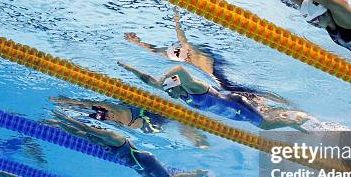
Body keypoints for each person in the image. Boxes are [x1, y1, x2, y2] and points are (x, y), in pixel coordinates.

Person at [124, 7, 289, 103]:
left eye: (187, 57)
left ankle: (280, 101)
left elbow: (182, 38)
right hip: (211, 72)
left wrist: (177, 21)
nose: (187, 60)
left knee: (243, 93)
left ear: (187, 52)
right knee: (239, 96)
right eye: (185, 59)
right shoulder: (172, 54)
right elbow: (154, 50)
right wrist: (137, 42)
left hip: (216, 70)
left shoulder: (190, 50)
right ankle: (266, 103)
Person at [117, 62, 327, 131]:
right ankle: (295, 117)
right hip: (232, 113)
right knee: (267, 117)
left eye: (171, 90)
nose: (169, 95)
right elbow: (149, 81)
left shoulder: (192, 87)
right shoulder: (175, 90)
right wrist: (128, 68)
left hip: (235, 105)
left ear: (177, 85)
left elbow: (180, 68)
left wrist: (167, 75)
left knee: (264, 125)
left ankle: (299, 121)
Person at [44, 110, 208, 177]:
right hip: (137, 165)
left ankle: (196, 173)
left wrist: (64, 118)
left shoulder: (111, 137)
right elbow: (78, 133)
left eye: (95, 131)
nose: (93, 135)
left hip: (144, 160)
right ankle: (194, 174)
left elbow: (85, 129)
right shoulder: (99, 141)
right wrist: (59, 125)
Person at [50, 96, 210, 148]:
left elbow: (87, 104)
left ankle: (202, 141)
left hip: (149, 120)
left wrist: (67, 100)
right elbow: (86, 107)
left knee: (182, 128)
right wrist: (67, 102)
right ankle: (201, 140)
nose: (109, 118)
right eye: (106, 117)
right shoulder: (107, 115)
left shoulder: (112, 108)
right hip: (147, 126)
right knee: (178, 127)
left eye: (108, 116)